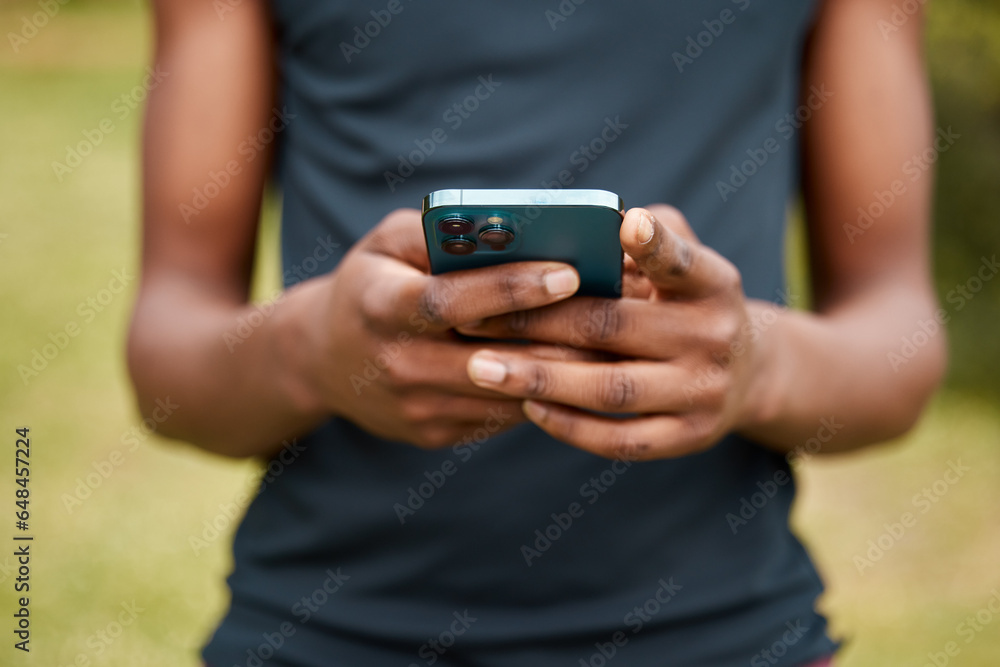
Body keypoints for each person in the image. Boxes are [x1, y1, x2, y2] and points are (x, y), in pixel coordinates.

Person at [127, 0, 945, 665]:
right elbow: (168, 358)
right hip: (322, 635)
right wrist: (312, 351)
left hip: (728, 636)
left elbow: (899, 338)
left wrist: (757, 367)